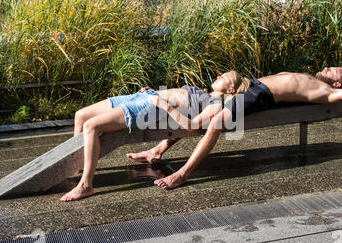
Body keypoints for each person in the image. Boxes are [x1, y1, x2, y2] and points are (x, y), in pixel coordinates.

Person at [127, 67, 342, 190]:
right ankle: (157, 150)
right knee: (201, 111)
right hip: (253, 87)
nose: (328, 68)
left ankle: (183, 174)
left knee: (213, 123)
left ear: (338, 82)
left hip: (260, 96)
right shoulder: (313, 79)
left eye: (333, 70)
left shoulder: (327, 91)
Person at [60, 70, 248, 201]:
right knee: (81, 115)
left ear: (230, 90)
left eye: (224, 77)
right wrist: (153, 92)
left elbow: (191, 126)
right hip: (145, 96)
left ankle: (86, 185)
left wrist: (163, 105)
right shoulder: (203, 93)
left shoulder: (215, 104)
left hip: (151, 106)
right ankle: (78, 165)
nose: (219, 75)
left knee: (92, 126)